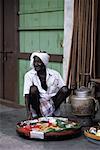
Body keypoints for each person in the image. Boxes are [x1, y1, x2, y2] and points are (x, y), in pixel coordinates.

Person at [23, 51, 71, 119]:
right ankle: (39, 114)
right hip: (38, 103)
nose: (36, 64)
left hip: (53, 102)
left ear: (44, 63)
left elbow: (64, 90)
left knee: (65, 89)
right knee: (33, 89)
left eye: (38, 62)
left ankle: (52, 111)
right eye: (34, 62)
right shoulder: (29, 75)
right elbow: (26, 94)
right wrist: (28, 112)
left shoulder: (55, 74)